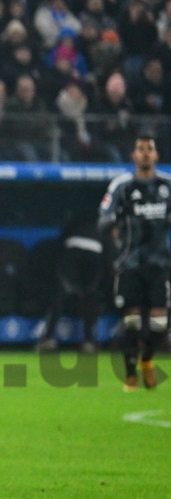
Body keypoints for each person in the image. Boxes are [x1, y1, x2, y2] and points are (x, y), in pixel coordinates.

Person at [98, 133, 171, 391]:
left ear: (156, 155)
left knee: (160, 324)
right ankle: (130, 375)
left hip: (159, 263)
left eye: (149, 149)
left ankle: (147, 361)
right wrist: (118, 219)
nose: (145, 154)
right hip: (129, 263)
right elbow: (103, 219)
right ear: (133, 156)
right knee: (131, 321)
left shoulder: (167, 185)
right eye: (140, 149)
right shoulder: (122, 186)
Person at [37, 214, 105, 353]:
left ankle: (47, 338)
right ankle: (88, 341)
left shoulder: (76, 224)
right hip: (93, 253)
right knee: (90, 296)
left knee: (60, 295)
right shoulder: (102, 225)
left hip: (73, 253)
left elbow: (60, 245)